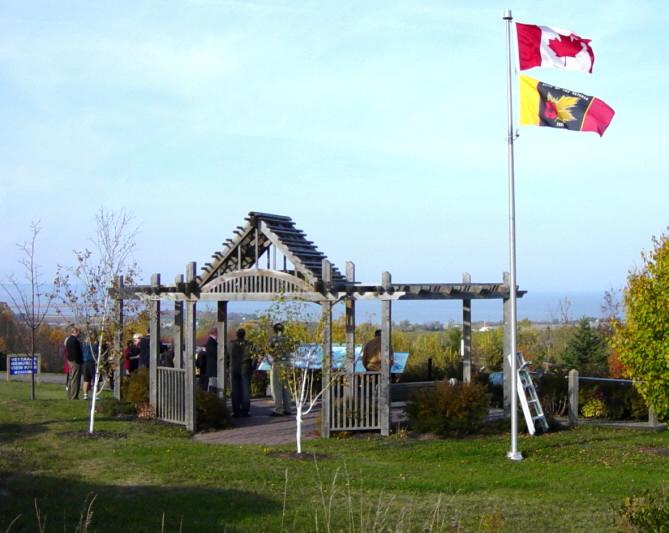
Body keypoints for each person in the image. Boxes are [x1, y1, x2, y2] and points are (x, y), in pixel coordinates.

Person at [268, 323, 292, 416]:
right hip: (287, 363)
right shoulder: (288, 339)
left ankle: (278, 409)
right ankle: (288, 408)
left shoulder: (273, 339)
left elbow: (269, 350)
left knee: (276, 386)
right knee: (286, 386)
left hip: (277, 363)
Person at [229, 328, 254, 417]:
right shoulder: (249, 344)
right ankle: (245, 410)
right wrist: (252, 368)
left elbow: (227, 355)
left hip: (234, 368)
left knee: (235, 390)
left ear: (237, 334)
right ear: (244, 335)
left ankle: (236, 410)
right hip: (245, 368)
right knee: (245, 390)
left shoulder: (231, 344)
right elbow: (253, 357)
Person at [64, 326, 83, 400]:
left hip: (70, 361)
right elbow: (75, 352)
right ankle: (74, 396)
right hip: (75, 362)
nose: (79, 333)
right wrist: (78, 360)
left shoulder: (68, 339)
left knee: (71, 378)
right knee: (75, 379)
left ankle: (70, 395)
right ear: (75, 332)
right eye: (78, 332)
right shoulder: (75, 340)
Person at [204, 329, 218, 393]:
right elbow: (214, 353)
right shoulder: (211, 342)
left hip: (211, 366)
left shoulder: (210, 341)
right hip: (213, 366)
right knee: (213, 383)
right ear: (215, 333)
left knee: (212, 382)